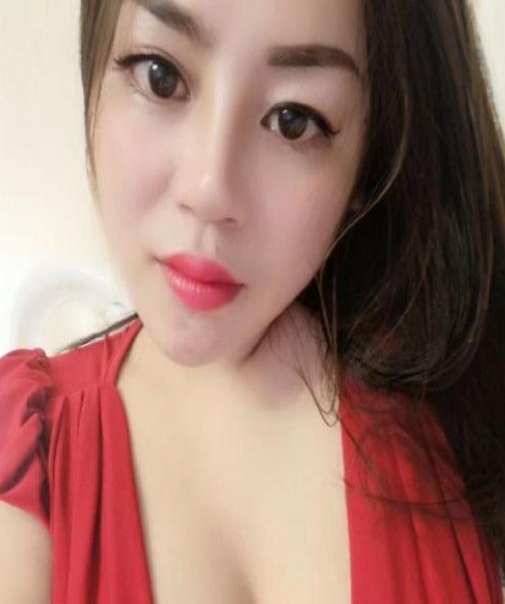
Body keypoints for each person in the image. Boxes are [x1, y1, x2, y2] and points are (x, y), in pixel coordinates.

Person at [0, 0, 504, 601]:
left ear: (373, 157)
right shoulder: (24, 450)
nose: (209, 189)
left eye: (294, 121)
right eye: (161, 76)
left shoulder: (466, 412)